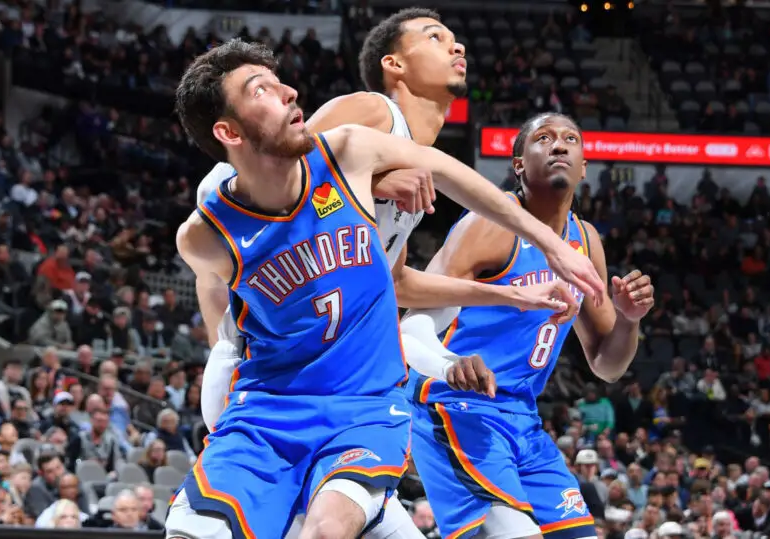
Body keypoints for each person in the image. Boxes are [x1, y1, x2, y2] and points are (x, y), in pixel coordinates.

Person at [192, 11, 599, 537]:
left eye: (455, 37)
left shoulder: (412, 158)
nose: (457, 47)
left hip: (333, 387)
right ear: (394, 65)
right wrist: (366, 182)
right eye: (435, 37)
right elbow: (258, 176)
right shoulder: (372, 113)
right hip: (267, 377)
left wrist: (511, 297)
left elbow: (399, 284)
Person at [400, 113, 657, 539]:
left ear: (584, 166)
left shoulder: (585, 241)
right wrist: (448, 363)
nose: (559, 145)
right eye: (544, 138)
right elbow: (413, 323)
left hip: (523, 416)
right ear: (518, 164)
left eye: (570, 138)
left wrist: (629, 320)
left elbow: (607, 366)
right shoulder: (488, 225)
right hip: (454, 406)